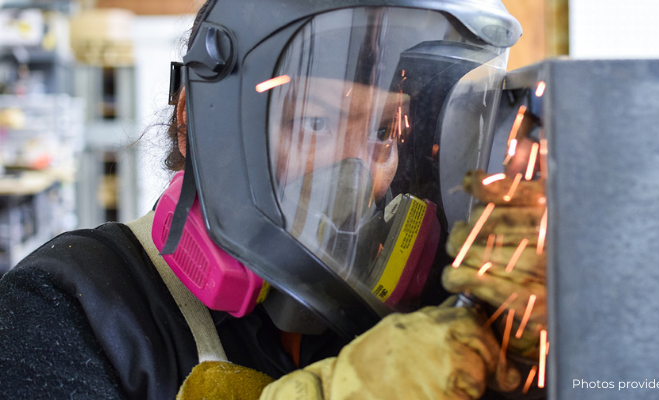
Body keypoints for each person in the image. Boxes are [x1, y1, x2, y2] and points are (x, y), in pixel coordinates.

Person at [0, 0, 545, 399]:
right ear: (197, 122)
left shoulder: (418, 315)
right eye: (315, 122)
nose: (357, 173)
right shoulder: (62, 305)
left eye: (383, 132)